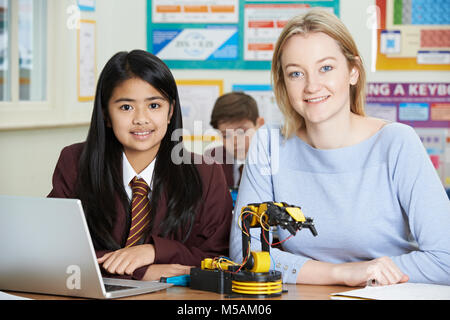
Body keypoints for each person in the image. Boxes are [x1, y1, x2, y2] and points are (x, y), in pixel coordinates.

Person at [230, 9, 450, 286]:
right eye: (296, 73)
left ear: (353, 71)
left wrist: (361, 274)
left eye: (325, 68)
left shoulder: (397, 142)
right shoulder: (268, 143)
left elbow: (445, 260)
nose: (312, 85)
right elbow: (246, 254)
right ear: (284, 84)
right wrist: (344, 273)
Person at [48, 50, 232, 281]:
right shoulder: (75, 162)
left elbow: (221, 259)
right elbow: (55, 250)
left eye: (154, 105)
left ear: (170, 111)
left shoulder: (205, 172)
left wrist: (155, 251)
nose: (141, 119)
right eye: (126, 107)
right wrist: (139, 272)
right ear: (106, 114)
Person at [206, 92, 264, 189]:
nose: (234, 141)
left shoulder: (275, 158)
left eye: (242, 132)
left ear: (259, 125)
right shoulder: (213, 158)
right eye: (226, 135)